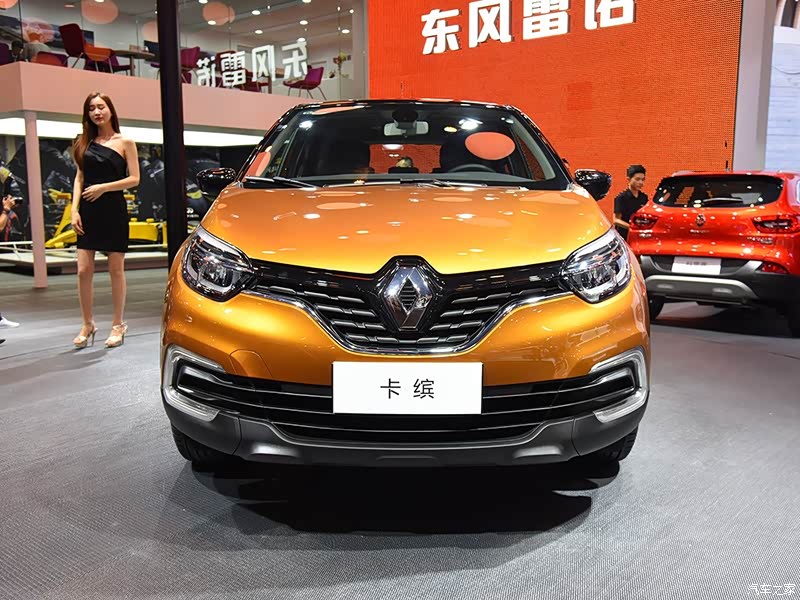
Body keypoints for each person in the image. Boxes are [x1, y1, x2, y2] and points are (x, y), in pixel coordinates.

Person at [70, 92, 139, 349]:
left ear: (110, 109)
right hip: (87, 211)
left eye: (101, 107)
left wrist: (104, 187)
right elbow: (79, 177)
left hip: (113, 209)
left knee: (115, 269)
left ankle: (118, 324)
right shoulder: (83, 142)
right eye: (91, 108)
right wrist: (74, 210)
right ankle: (87, 324)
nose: (97, 112)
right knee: (83, 270)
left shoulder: (125, 142)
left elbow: (134, 179)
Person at [613, 164, 648, 240]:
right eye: (637, 179)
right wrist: (632, 228)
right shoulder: (621, 198)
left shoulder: (644, 197)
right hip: (624, 237)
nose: (641, 182)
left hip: (638, 236)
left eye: (643, 180)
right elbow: (616, 220)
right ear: (629, 179)